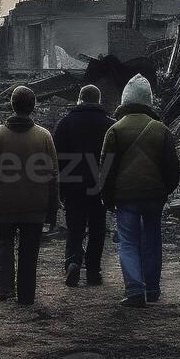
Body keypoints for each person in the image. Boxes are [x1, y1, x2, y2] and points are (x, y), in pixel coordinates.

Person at [98, 74, 179, 308]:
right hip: (154, 196)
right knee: (152, 241)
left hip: (126, 196)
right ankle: (152, 289)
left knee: (128, 242)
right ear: (149, 101)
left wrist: (107, 198)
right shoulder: (161, 130)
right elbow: (172, 168)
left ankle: (134, 289)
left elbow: (106, 169)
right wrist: (164, 191)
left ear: (124, 101)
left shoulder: (115, 130)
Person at [0, 86, 58, 306]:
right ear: (33, 106)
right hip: (35, 204)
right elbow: (53, 174)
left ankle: (6, 289)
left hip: (4, 203)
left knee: (4, 246)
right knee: (29, 250)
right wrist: (53, 207)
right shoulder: (43, 136)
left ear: (12, 105)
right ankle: (27, 294)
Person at [51, 84, 113, 287]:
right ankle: (93, 271)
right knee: (97, 229)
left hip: (72, 184)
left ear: (79, 99)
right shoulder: (109, 125)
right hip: (99, 185)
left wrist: (60, 185)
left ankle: (74, 261)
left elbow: (55, 158)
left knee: (75, 228)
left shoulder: (65, 123)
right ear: (98, 100)